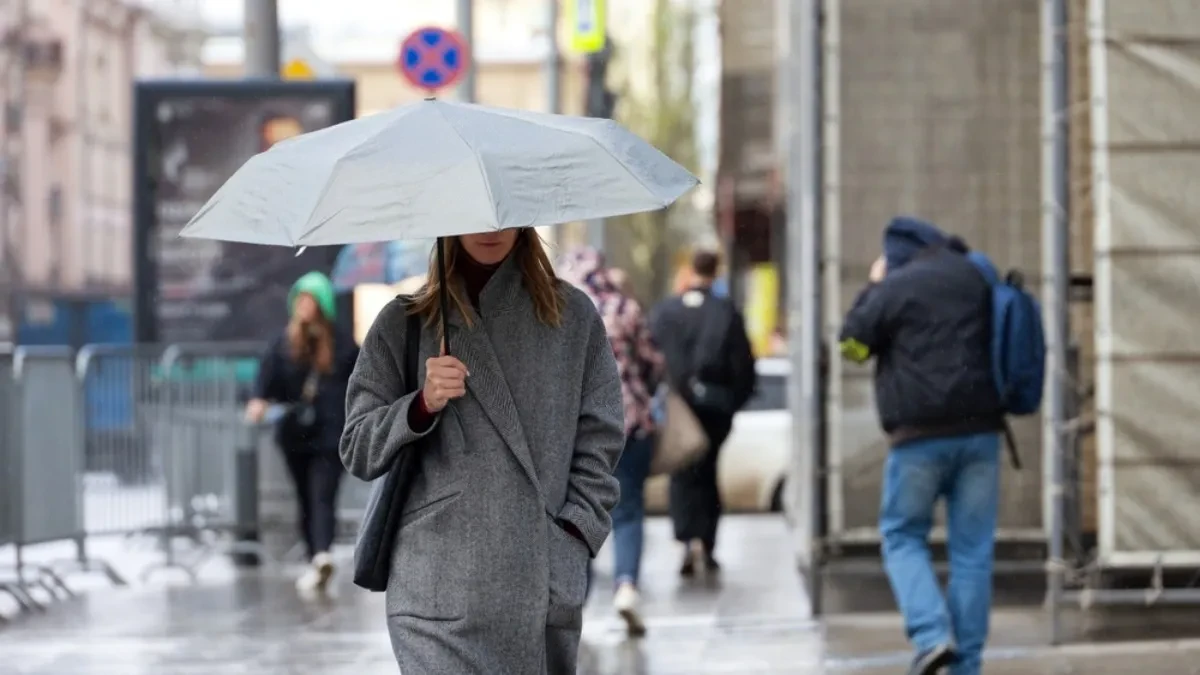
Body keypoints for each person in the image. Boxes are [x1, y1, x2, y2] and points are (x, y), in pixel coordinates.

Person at [340, 228, 625, 674]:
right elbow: (357, 446)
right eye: (474, 218)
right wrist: (421, 404)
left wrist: (573, 534)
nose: (490, 230)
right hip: (434, 591)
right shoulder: (406, 322)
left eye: (502, 218)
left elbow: (600, 440)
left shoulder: (572, 318)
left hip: (538, 584)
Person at [838, 216, 1004, 675]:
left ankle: (931, 636)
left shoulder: (896, 286)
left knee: (902, 536)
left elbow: (851, 347)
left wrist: (873, 288)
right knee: (972, 554)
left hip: (919, 439)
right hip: (981, 433)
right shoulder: (975, 274)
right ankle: (966, 666)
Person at [558, 249, 664, 636]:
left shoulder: (558, 312)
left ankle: (576, 599)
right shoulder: (626, 307)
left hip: (575, 430)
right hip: (629, 424)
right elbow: (653, 362)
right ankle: (626, 587)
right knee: (629, 510)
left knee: (577, 510)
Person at [246, 270, 358, 594]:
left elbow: (361, 381)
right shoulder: (283, 344)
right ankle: (315, 558)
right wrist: (258, 402)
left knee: (322, 495)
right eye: (300, 299)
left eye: (310, 300)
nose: (304, 306)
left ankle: (322, 553)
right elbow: (265, 383)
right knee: (304, 498)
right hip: (295, 436)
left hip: (332, 435)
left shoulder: (342, 343)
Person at [649, 249, 756, 576]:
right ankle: (707, 542)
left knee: (682, 474)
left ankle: (686, 540)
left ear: (689, 270)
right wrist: (733, 403)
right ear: (716, 270)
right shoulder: (726, 312)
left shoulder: (665, 312)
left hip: (677, 409)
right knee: (708, 473)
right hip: (715, 409)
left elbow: (650, 358)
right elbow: (743, 367)